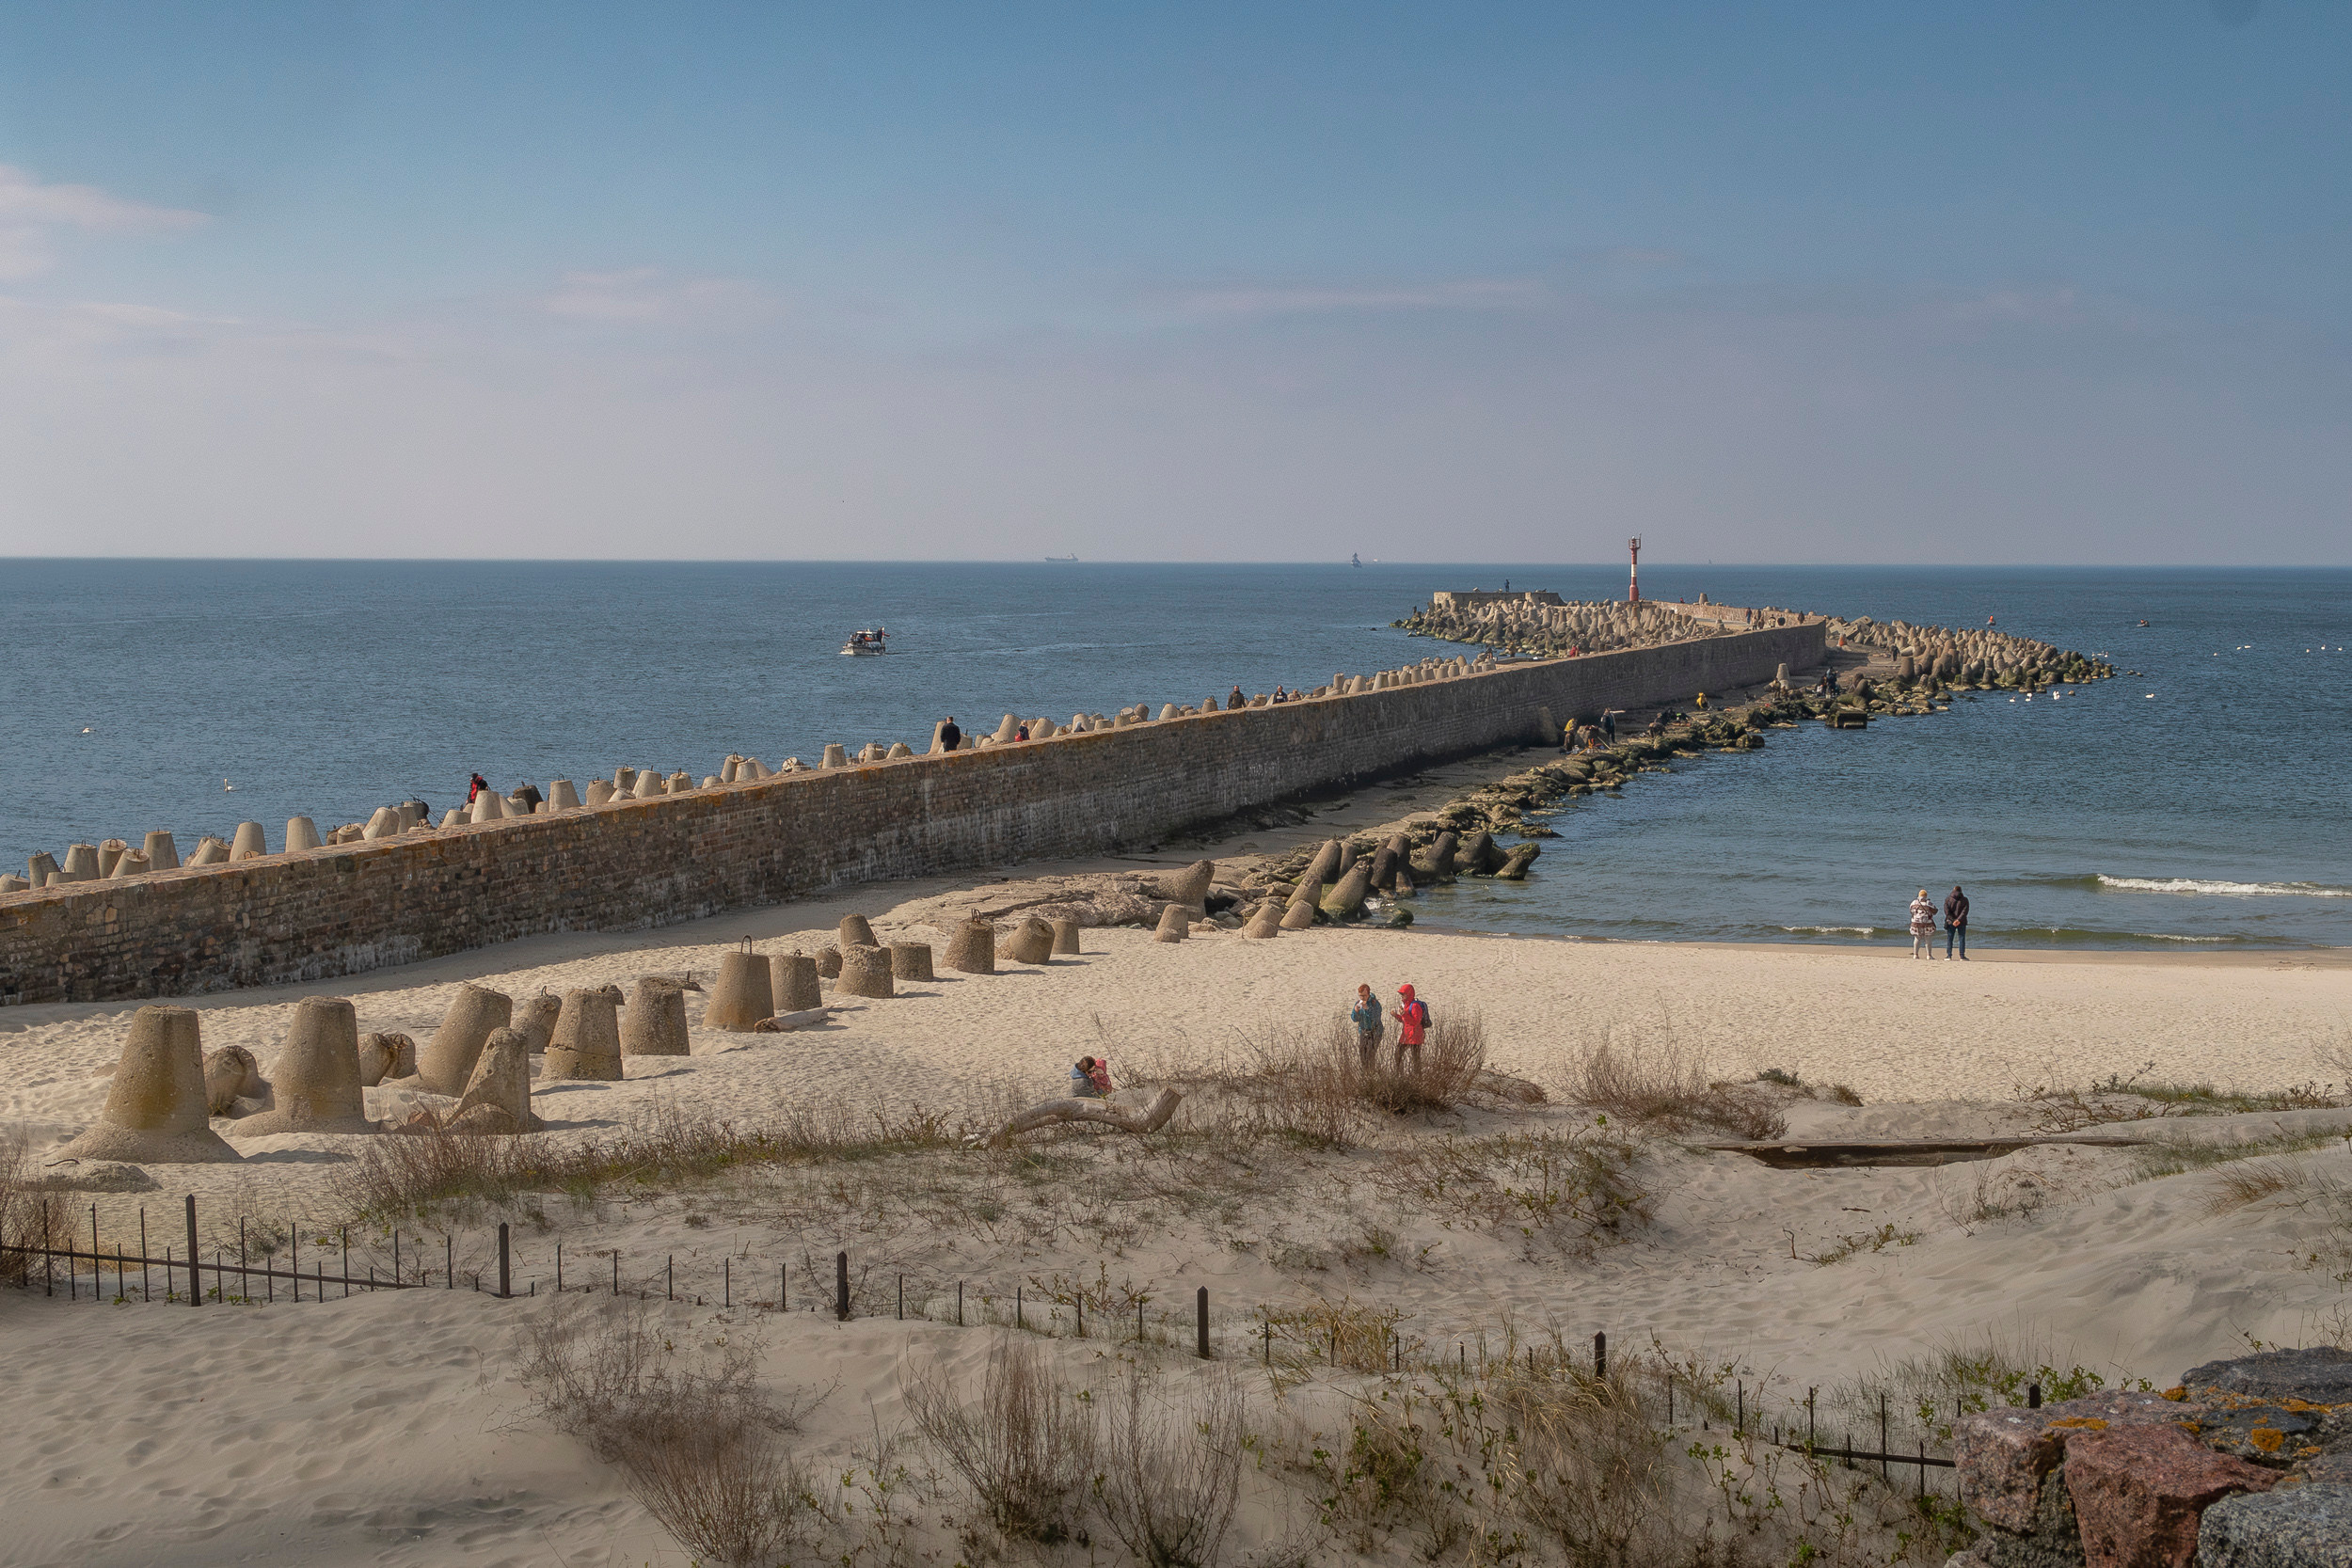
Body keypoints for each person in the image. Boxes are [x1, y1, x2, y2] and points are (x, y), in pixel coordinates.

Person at [1392, 983, 1429, 1071]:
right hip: (1406, 1034)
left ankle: (1417, 1077)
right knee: (1398, 1054)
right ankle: (1399, 1074)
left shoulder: (1415, 1006)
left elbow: (1416, 1022)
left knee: (1415, 1058)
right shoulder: (1406, 1005)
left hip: (1415, 1035)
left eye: (1403, 994)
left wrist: (1404, 1014)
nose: (1401, 996)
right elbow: (1404, 1020)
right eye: (1401, 994)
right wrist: (1396, 1016)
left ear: (1408, 994)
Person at [1350, 983, 1383, 1069]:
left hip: (1375, 1032)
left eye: (1364, 996)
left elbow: (1376, 1018)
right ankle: (1365, 1074)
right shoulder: (1358, 1003)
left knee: (1370, 1054)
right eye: (1360, 996)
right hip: (1363, 1031)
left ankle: (1371, 1073)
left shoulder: (1375, 1003)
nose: (1362, 998)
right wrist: (1356, 1011)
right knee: (1362, 1055)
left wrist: (1367, 1009)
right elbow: (1354, 1019)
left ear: (1368, 994)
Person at [1943, 885, 1970, 959]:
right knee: (1962, 938)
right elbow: (1965, 911)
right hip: (1962, 921)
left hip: (1950, 921)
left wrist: (1953, 920)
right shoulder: (1965, 899)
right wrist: (1958, 920)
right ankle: (1962, 956)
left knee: (1950, 938)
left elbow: (1947, 911)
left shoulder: (1948, 899)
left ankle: (1949, 955)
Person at [1909, 889, 1936, 959]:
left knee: (1917, 938)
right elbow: (1935, 911)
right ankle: (1929, 955)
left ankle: (1915, 954)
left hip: (1915, 923)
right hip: (1927, 924)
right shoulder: (1929, 903)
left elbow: (1911, 911)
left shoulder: (1914, 902)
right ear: (1926, 896)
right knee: (1928, 939)